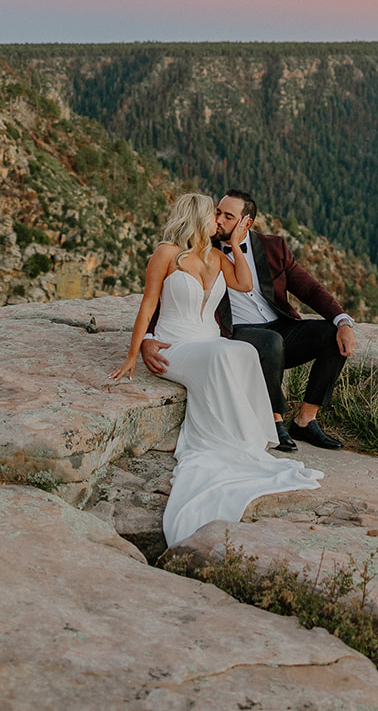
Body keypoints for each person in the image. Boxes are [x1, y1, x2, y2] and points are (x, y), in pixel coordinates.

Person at [109, 192, 321, 546]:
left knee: (242, 353)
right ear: (197, 219)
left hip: (210, 340)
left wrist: (236, 246)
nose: (219, 222)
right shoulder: (166, 254)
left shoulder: (216, 256)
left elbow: (245, 283)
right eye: (214, 216)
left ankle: (249, 439)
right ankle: (226, 445)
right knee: (225, 356)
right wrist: (135, 351)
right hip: (176, 344)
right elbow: (148, 304)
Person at [138, 190, 356, 452]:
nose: (218, 220)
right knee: (270, 342)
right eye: (217, 212)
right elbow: (166, 295)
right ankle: (274, 420)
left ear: (246, 223)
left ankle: (305, 420)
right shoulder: (205, 247)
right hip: (236, 333)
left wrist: (342, 321)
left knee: (330, 335)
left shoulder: (274, 247)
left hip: (280, 327)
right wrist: (148, 338)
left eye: (228, 216)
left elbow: (309, 289)